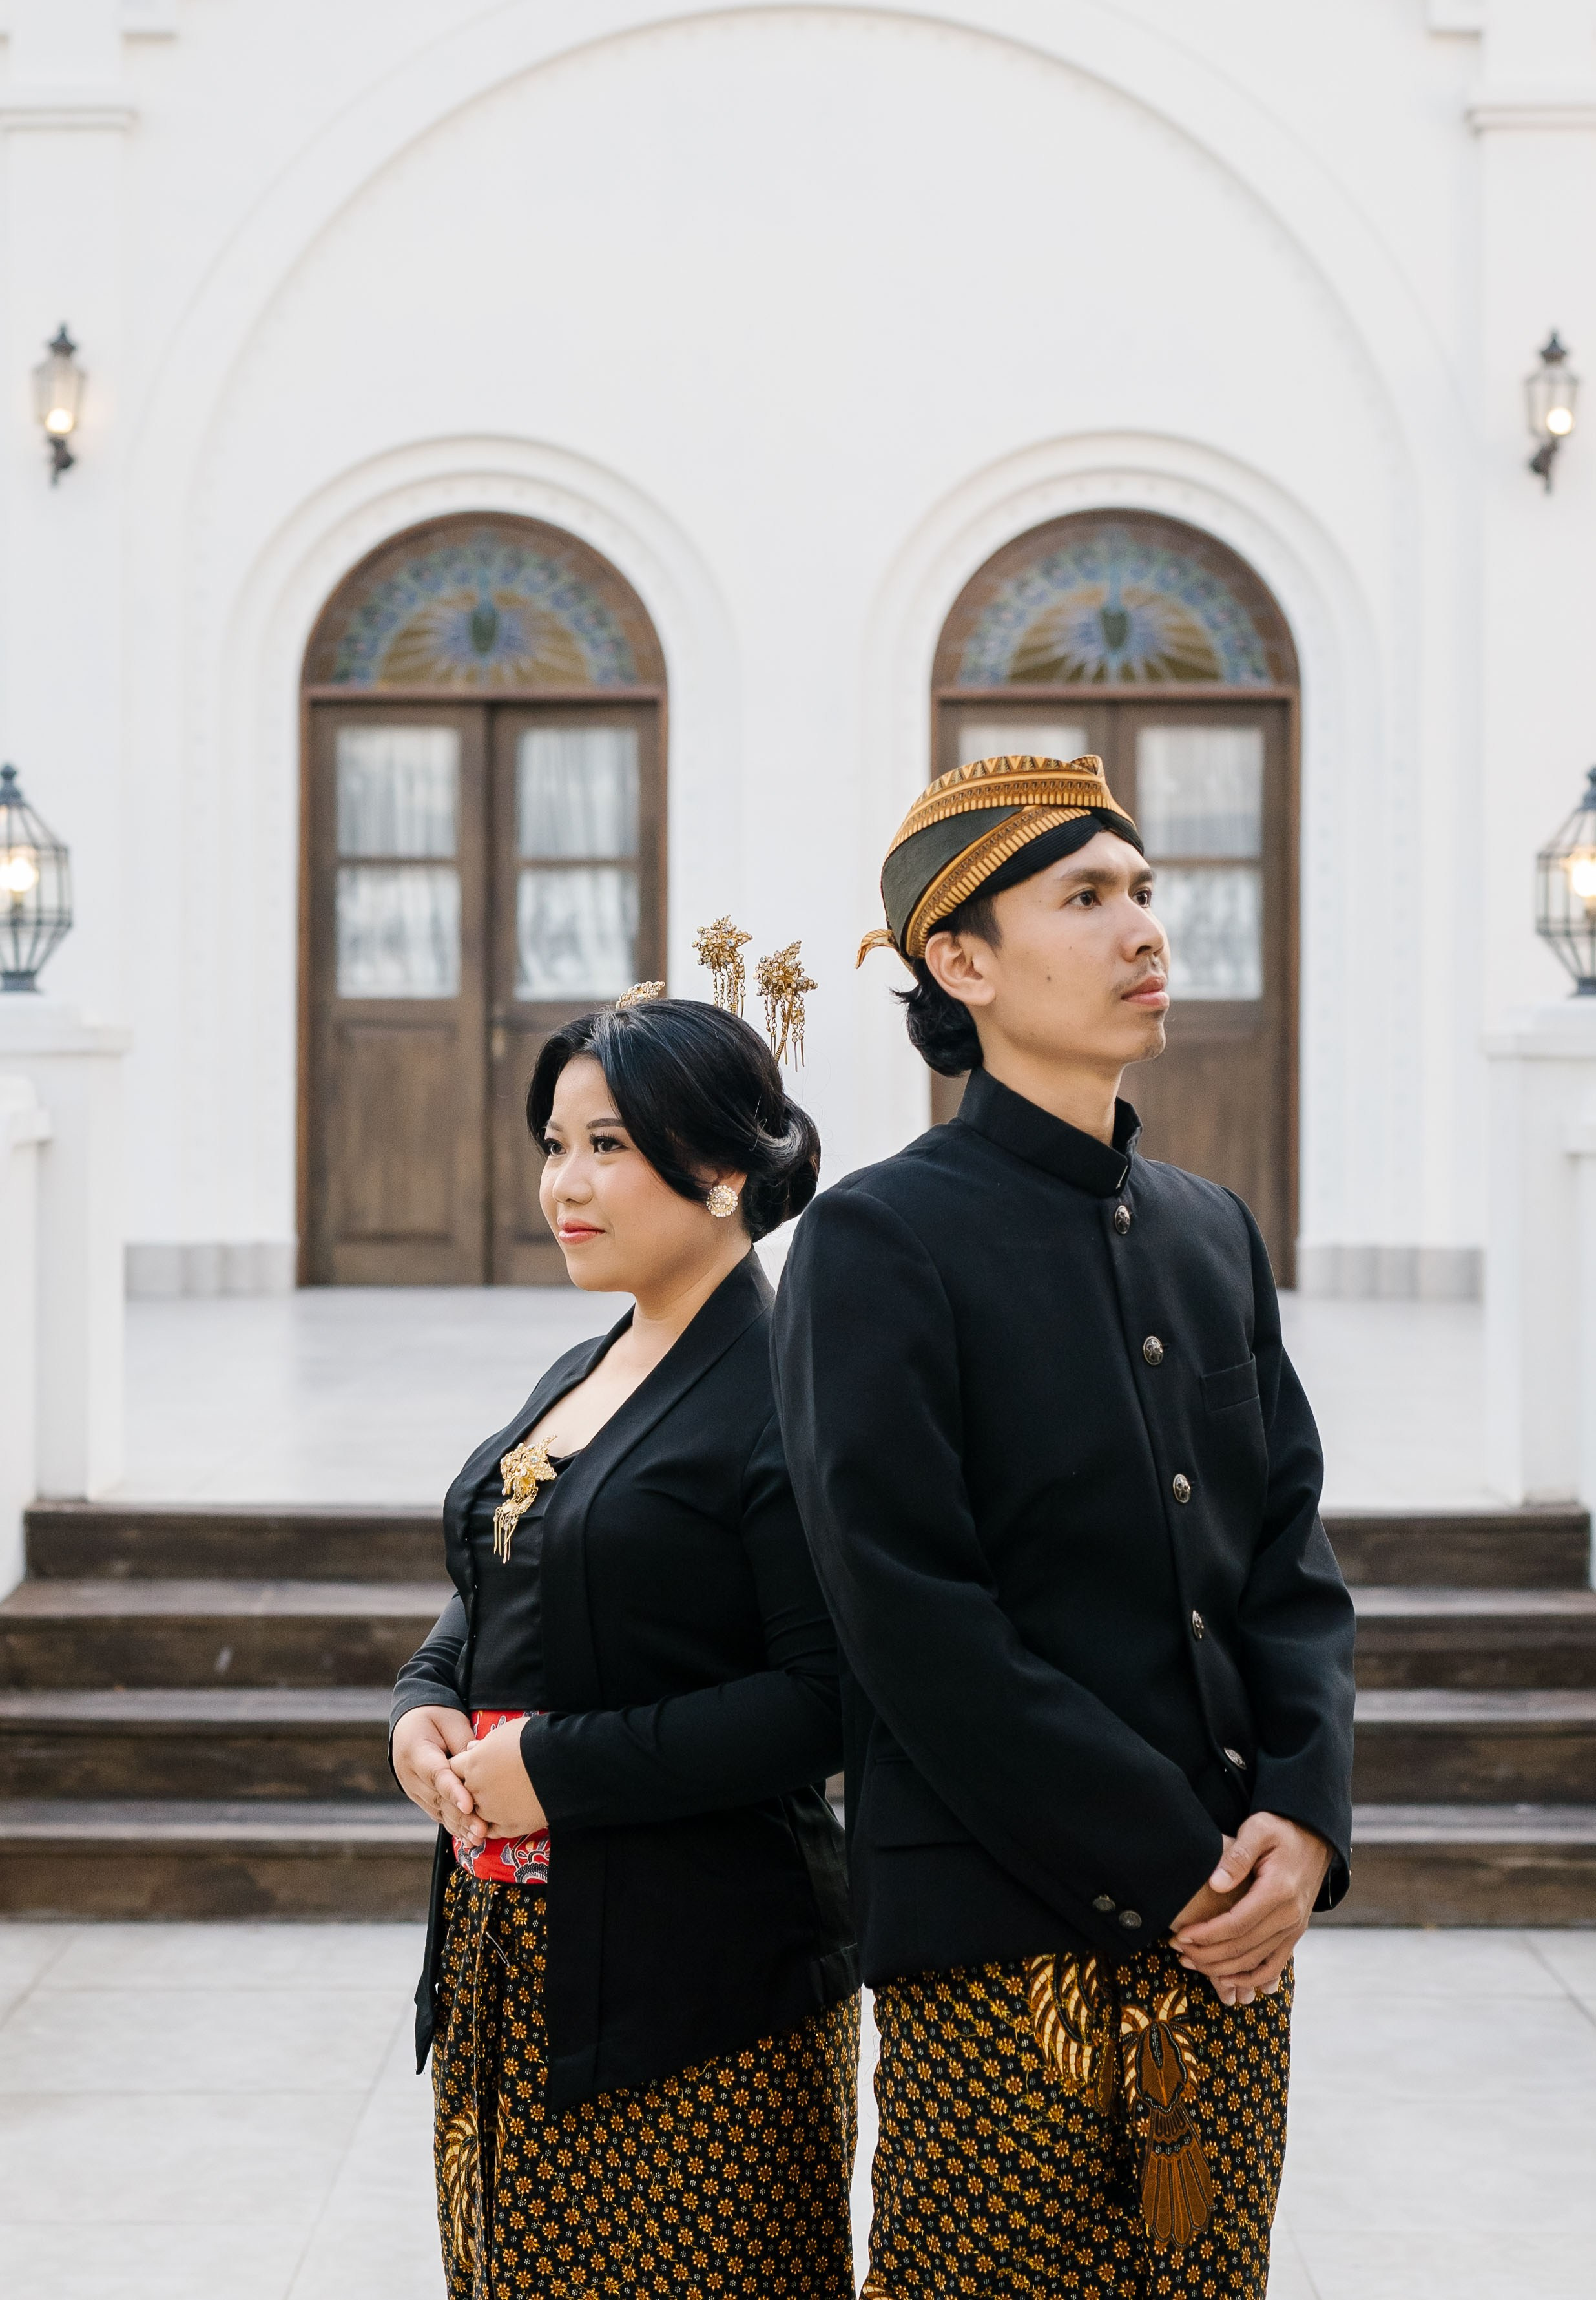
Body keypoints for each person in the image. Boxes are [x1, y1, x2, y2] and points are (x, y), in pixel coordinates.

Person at [772, 754, 1356, 2299]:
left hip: (1235, 1924)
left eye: (1146, 890)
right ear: (959, 959)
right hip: (996, 1924)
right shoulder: (872, 1239)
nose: (1142, 928)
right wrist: (1184, 1864)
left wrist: (1303, 1817)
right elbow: (911, 1614)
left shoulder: (1209, 1227)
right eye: (1086, 897)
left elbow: (1289, 1561)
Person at [391, 992, 859, 2300]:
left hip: (700, 1994)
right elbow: (498, 1568)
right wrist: (424, 1700)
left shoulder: (782, 1383)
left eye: (609, 1145)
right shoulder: (586, 1360)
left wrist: (560, 1767)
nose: (565, 1185)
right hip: (514, 1964)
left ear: (720, 1171)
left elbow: (828, 1698)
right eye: (555, 1144)